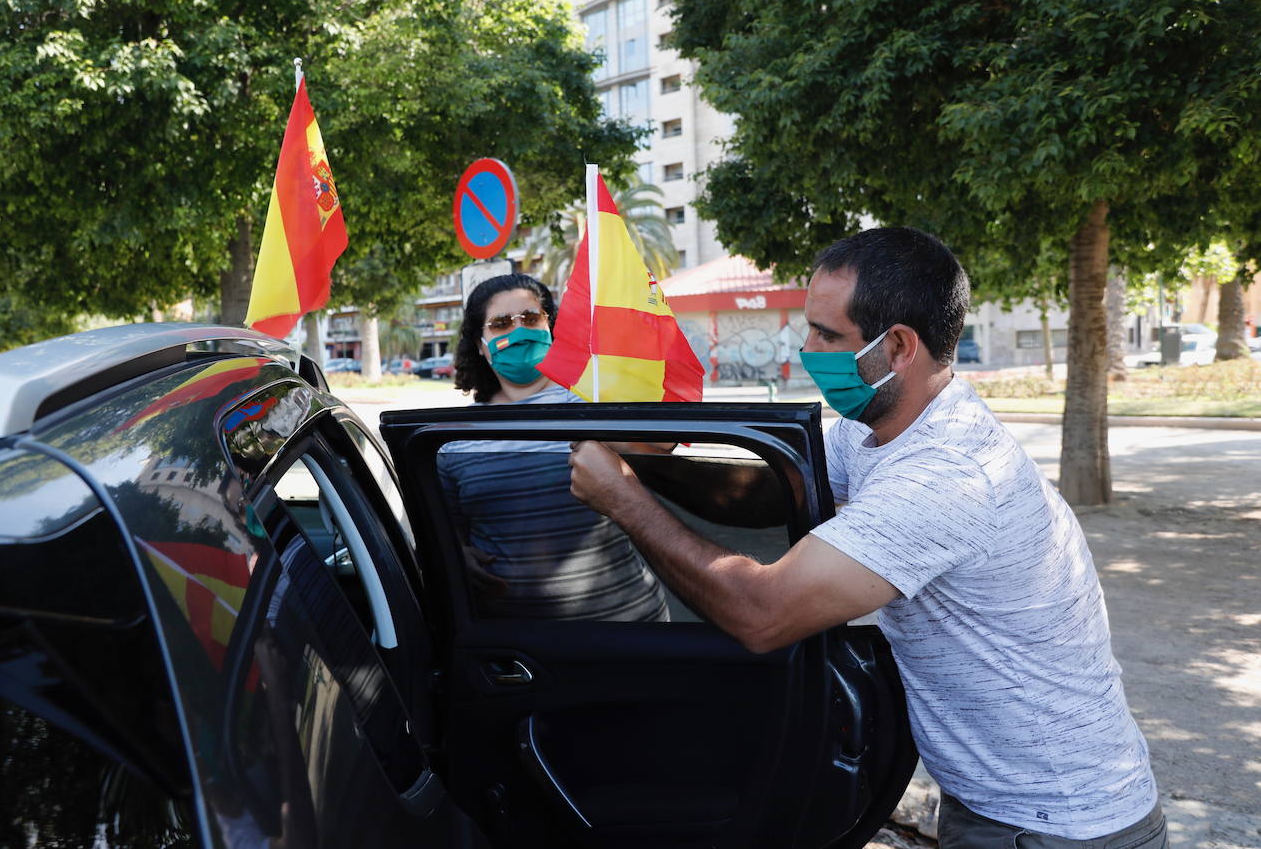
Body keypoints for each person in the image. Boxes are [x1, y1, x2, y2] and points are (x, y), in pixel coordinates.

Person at [568, 228, 1165, 846]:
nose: (807, 349)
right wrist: (646, 462)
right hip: (1001, 809)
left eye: (828, 335)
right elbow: (777, 490)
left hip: (1058, 825)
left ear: (900, 346)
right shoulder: (876, 427)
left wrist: (624, 500)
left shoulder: (945, 474)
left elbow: (761, 613)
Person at [439, 272, 669, 622]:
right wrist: (457, 554)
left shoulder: (593, 402)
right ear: (480, 345)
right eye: (501, 324)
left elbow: (662, 449)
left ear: (551, 326)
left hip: (631, 625)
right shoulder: (454, 438)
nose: (519, 331)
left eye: (530, 318)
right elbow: (447, 526)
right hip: (520, 650)